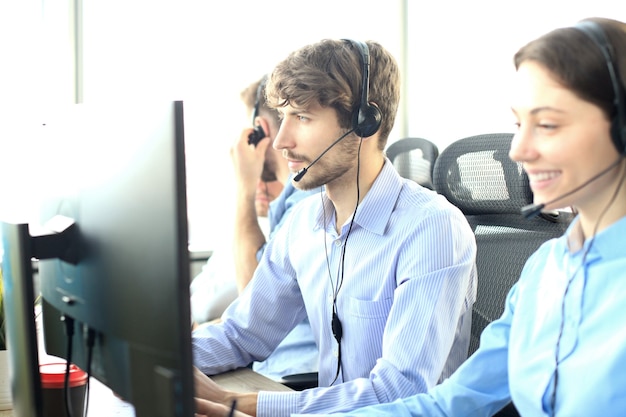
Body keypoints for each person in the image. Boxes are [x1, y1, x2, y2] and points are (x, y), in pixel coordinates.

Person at [281, 16, 626, 417]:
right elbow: (452, 403)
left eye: (547, 124)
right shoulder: (545, 273)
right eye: (519, 123)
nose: (518, 149)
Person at [192, 38, 478, 417]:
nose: (281, 141)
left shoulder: (432, 230)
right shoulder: (302, 225)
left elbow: (400, 391)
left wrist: (244, 404)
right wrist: (158, 358)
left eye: (303, 118)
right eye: (284, 116)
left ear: (365, 122)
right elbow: (241, 334)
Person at [190, 76, 319, 380]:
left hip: (291, 377)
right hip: (267, 368)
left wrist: (244, 186)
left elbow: (254, 297)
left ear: (259, 128)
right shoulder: (291, 199)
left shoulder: (309, 201)